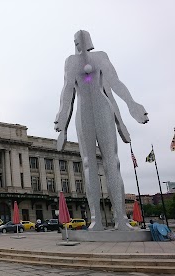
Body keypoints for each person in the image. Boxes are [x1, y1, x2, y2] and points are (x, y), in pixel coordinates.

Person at [54, 30, 149, 231]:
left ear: (88, 41)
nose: (78, 44)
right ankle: (96, 219)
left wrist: (132, 105)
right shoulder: (70, 62)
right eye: (75, 41)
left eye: (81, 40)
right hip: (84, 113)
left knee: (112, 163)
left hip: (103, 109)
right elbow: (67, 90)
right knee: (88, 163)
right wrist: (62, 122)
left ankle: (121, 219)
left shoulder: (100, 57)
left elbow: (115, 83)